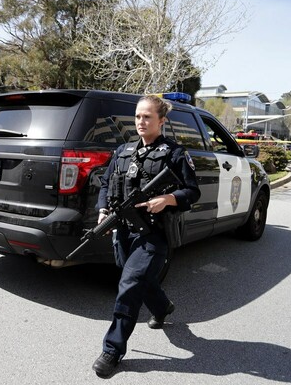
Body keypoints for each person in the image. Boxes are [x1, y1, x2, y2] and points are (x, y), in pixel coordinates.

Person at [91, 95, 201, 379]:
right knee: (141, 279)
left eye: (148, 117)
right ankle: (163, 307)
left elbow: (192, 192)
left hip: (155, 233)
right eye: (138, 116)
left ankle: (112, 349)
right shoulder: (123, 150)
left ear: (161, 121)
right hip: (125, 230)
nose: (141, 122)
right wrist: (103, 209)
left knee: (129, 284)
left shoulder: (175, 153)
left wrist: (167, 198)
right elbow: (106, 183)